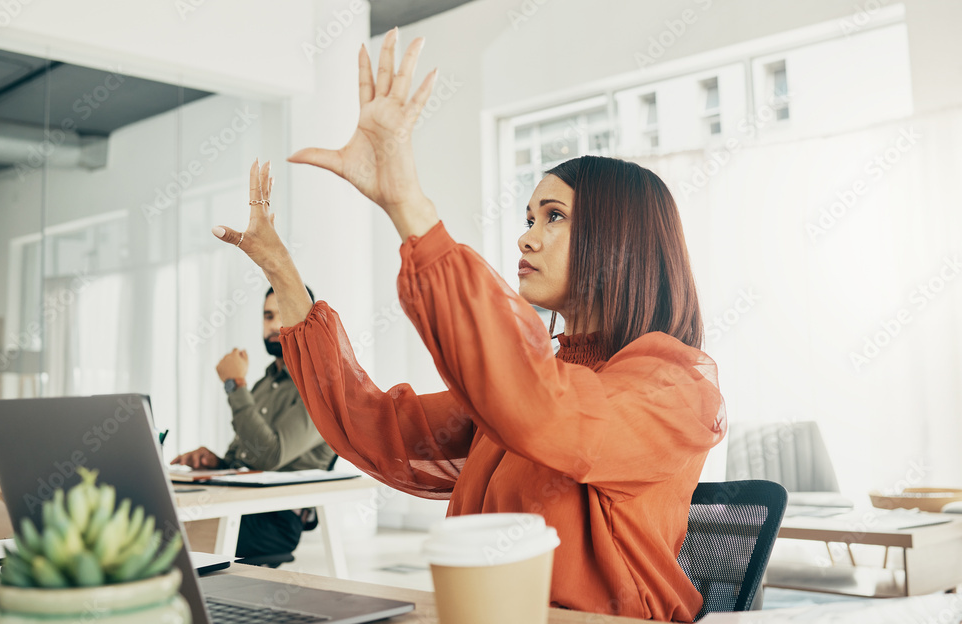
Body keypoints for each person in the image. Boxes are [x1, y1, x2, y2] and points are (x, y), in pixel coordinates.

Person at [211, 30, 725, 621]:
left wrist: (407, 201)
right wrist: (281, 270)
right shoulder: (539, 380)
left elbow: (547, 411)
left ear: (620, 242)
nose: (526, 235)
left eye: (553, 216)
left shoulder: (675, 389)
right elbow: (379, 428)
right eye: (530, 215)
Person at [171, 286, 335, 560]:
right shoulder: (262, 385)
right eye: (267, 315)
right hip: (238, 502)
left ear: (308, 323)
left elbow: (270, 456)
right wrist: (218, 463)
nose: (273, 324)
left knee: (165, 534)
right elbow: (244, 457)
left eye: (282, 315)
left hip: (274, 519)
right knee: (153, 516)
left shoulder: (320, 387)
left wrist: (235, 385)